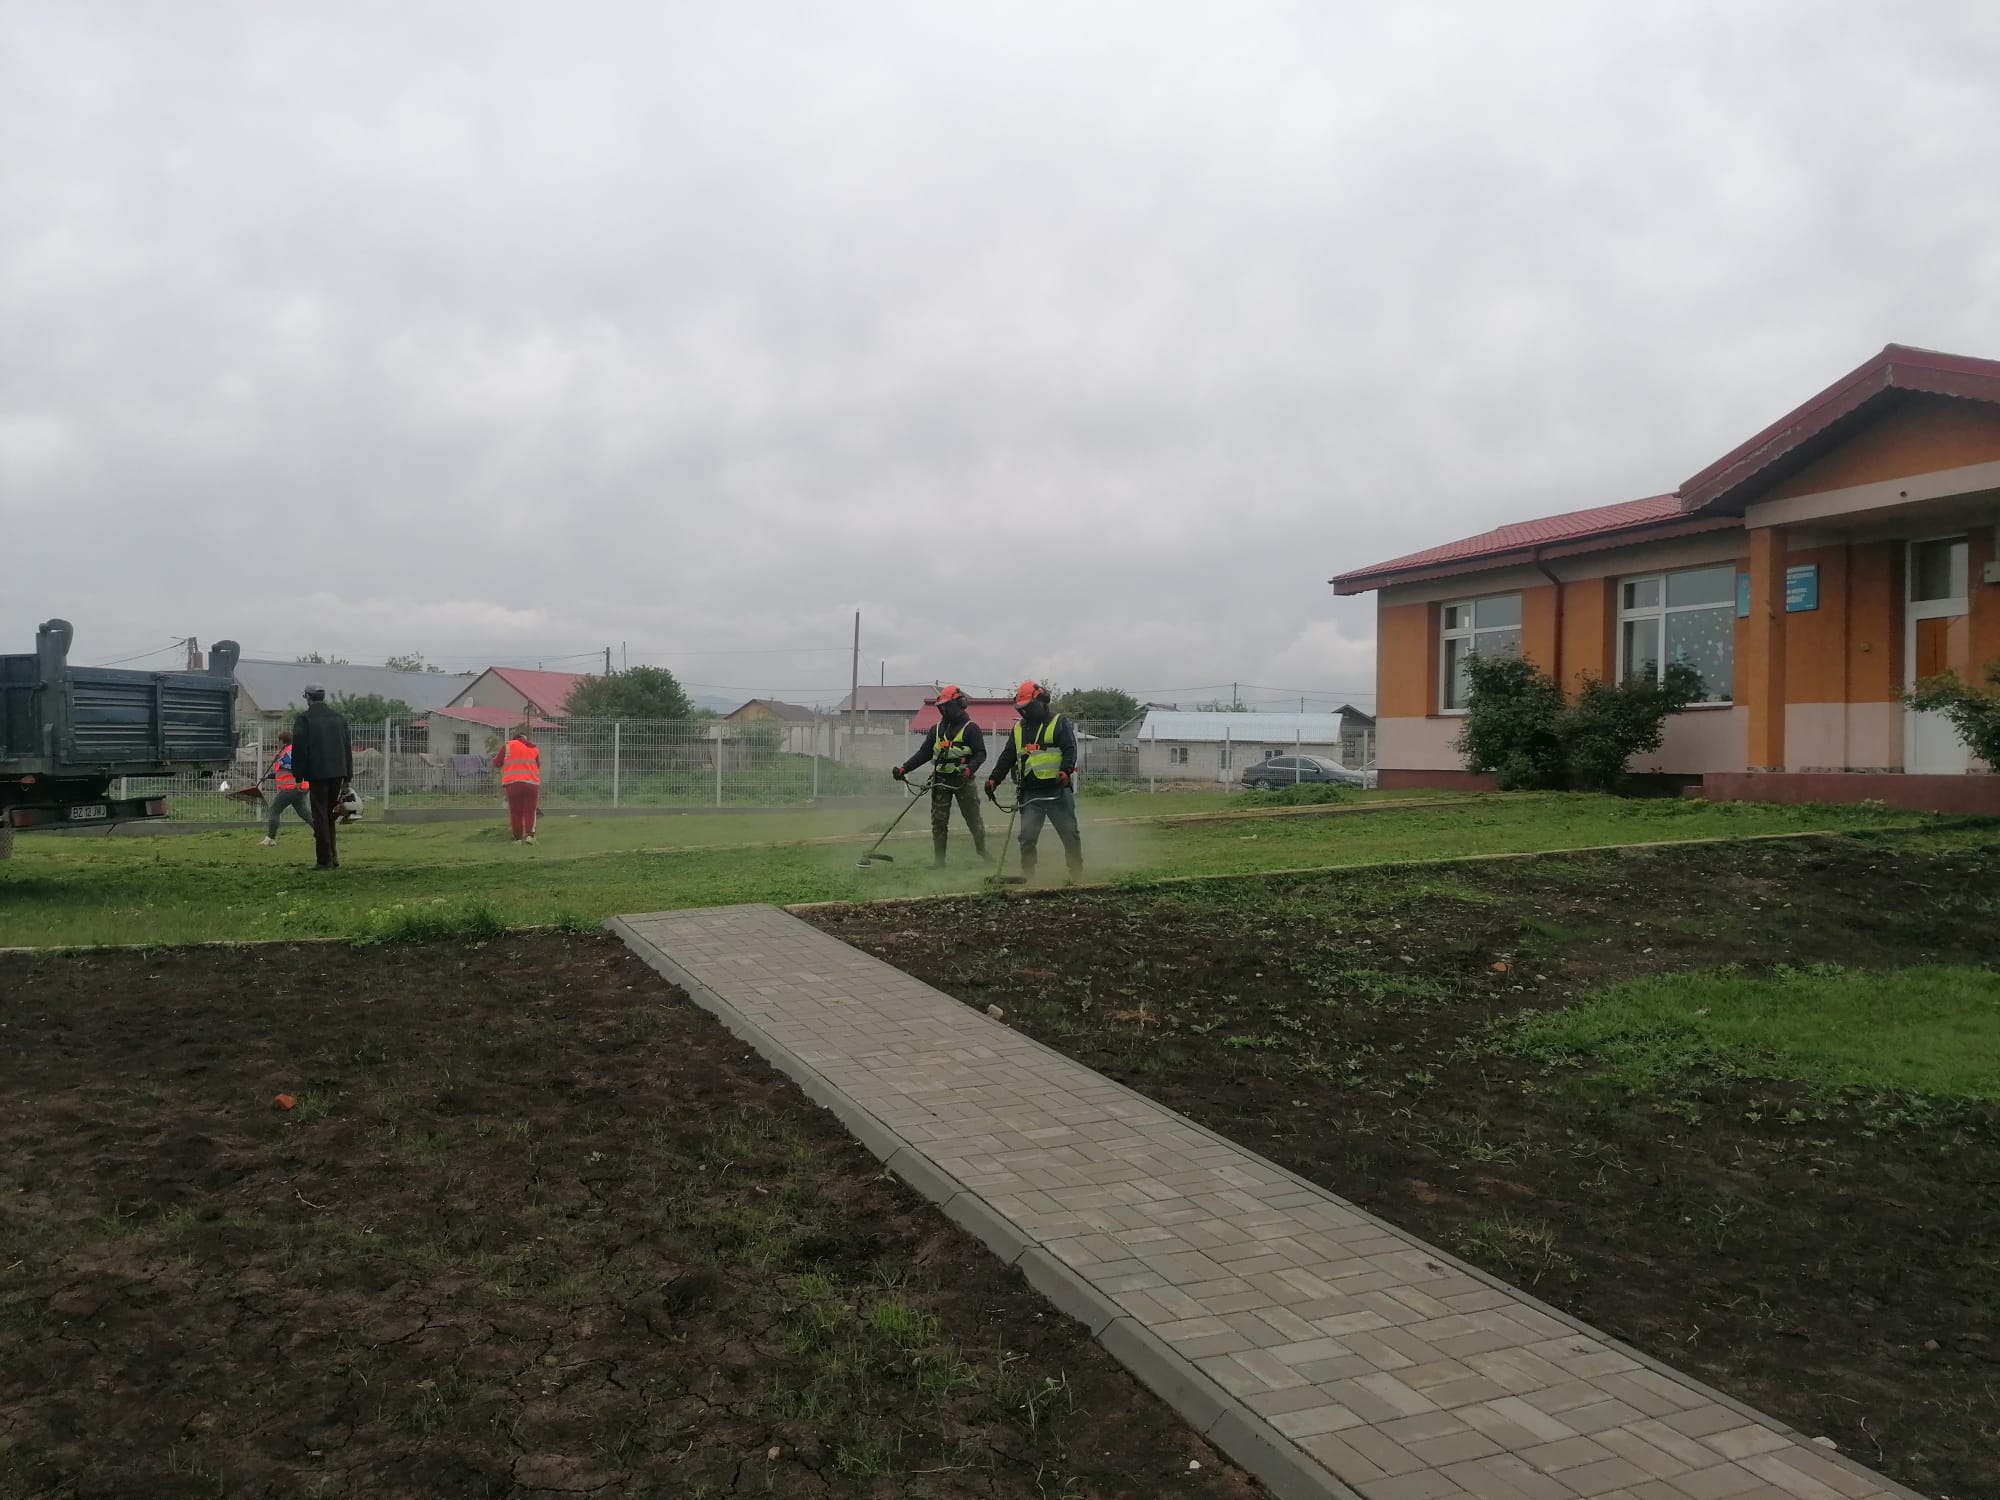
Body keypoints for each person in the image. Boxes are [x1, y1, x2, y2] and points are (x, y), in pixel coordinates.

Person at [985, 680, 1083, 882]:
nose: (1025, 712)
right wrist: (994, 779)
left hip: (1057, 790)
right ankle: (1028, 876)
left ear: (1041, 701)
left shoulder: (1058, 722)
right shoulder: (1018, 729)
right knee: (1027, 838)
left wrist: (1065, 771)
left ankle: (1077, 873)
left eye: (1028, 707)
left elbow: (1070, 749)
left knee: (1069, 834)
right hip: (1030, 793)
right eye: (1021, 708)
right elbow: (1007, 756)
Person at [892, 684, 988, 868]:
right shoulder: (935, 730)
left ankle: (982, 850)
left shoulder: (971, 729)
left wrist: (969, 769)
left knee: (973, 818)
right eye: (943, 707)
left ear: (960, 704)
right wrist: (904, 769)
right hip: (940, 780)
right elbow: (924, 753)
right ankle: (939, 861)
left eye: (948, 706)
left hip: (963, 780)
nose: (945, 710)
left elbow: (980, 754)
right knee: (939, 821)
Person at [289, 684, 353, 870]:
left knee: (320, 816)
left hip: (317, 773)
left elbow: (299, 749)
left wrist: (298, 775)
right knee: (330, 814)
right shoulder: (338, 718)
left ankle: (324, 860)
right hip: (338, 772)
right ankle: (333, 856)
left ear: (308, 697)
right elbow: (346, 747)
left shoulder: (304, 719)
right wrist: (347, 776)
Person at [257, 742, 311, 847]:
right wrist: (268, 776)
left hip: (290, 788)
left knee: (274, 811)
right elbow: (284, 772)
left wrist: (279, 759)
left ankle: (270, 839)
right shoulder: (297, 749)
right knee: (305, 814)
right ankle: (323, 833)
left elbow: (292, 767)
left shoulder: (288, 751)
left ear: (282, 741)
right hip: (302, 787)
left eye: (279, 741)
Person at [494, 726, 541, 844]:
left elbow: (497, 763)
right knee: (530, 810)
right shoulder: (533, 748)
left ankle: (518, 838)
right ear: (525, 738)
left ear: (514, 738)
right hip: (531, 784)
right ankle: (530, 836)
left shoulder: (508, 745)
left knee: (515, 812)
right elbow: (537, 765)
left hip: (513, 784)